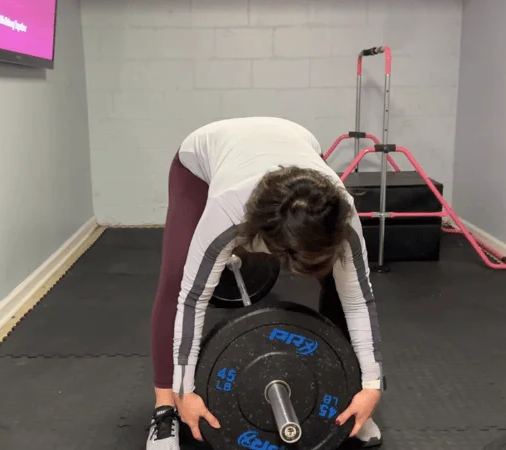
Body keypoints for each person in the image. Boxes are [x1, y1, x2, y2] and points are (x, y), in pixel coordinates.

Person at [147, 117, 385, 450]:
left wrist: (372, 384)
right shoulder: (226, 211)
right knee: (176, 279)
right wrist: (185, 390)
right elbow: (192, 300)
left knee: (340, 282)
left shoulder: (342, 214)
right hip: (200, 162)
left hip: (297, 139)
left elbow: (359, 301)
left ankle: (351, 396)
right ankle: (164, 408)